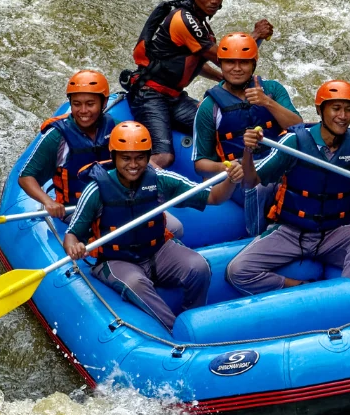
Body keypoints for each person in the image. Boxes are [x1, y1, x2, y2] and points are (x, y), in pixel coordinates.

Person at [226, 80, 350, 295]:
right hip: (291, 232)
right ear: (320, 109)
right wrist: (248, 153)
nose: (342, 116)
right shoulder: (293, 143)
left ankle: (344, 298)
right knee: (237, 270)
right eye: (336, 108)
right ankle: (298, 287)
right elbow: (251, 181)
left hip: (335, 233)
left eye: (348, 109)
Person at [65, 121, 244, 329]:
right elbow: (72, 235)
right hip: (115, 259)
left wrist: (231, 180)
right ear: (114, 156)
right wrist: (73, 247)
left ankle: (192, 320)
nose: (133, 164)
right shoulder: (95, 190)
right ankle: (174, 330)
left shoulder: (159, 179)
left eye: (140, 157)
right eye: (126, 158)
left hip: (156, 250)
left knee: (199, 266)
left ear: (148, 156)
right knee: (135, 283)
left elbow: (213, 197)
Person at [121, 0, 274, 170]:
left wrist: (221, 78)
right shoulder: (184, 19)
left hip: (174, 98)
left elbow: (196, 63)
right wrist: (255, 36)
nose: (214, 0)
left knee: (219, 126)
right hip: (150, 96)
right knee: (164, 157)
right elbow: (223, 56)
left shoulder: (200, 22)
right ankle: (128, 191)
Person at [192, 32, 301, 235]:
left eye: (243, 63)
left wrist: (267, 102)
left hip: (278, 168)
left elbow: (298, 128)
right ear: (221, 65)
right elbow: (200, 165)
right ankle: (259, 235)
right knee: (258, 185)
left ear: (253, 64)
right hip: (240, 178)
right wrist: (227, 169)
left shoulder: (272, 90)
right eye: (230, 62)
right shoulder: (209, 107)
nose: (236, 68)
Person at [18, 70, 116, 219]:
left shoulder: (116, 128)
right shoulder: (58, 137)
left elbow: (140, 160)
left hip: (114, 202)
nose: (83, 111)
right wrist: (48, 202)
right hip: (74, 210)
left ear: (104, 103)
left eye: (90, 104)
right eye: (77, 104)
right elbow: (26, 177)